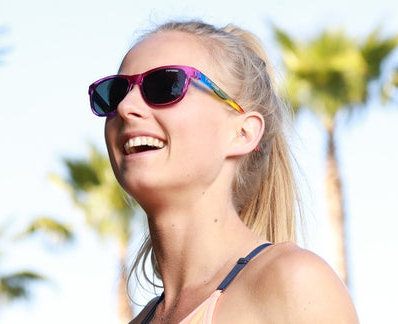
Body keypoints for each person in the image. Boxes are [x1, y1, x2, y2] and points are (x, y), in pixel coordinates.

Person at [88, 20, 359, 323]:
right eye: (114, 93)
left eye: (165, 86)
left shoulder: (295, 283)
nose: (126, 106)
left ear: (243, 133)